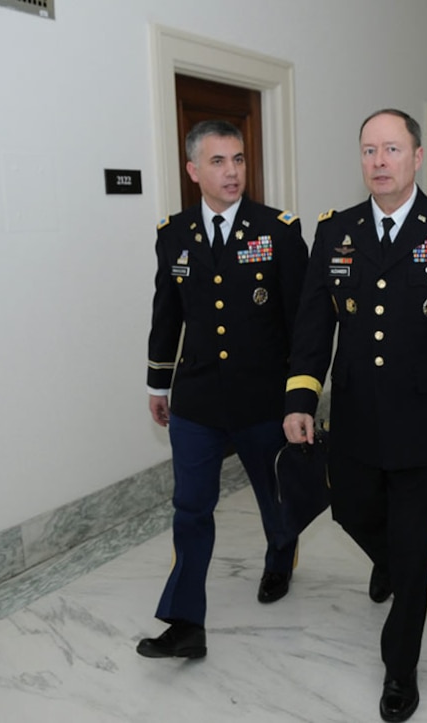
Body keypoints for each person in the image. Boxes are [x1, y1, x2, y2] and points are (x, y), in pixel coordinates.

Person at [283, 109, 427, 722]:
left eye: (392, 149)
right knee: (350, 508)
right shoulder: (336, 231)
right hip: (355, 414)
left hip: (426, 420)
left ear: (417, 157)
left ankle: (400, 668)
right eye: (369, 150)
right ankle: (392, 561)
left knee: (412, 546)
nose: (379, 161)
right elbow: (314, 324)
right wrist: (300, 396)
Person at [139, 119, 309, 660]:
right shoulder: (174, 234)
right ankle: (187, 622)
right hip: (196, 398)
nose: (232, 171)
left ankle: (282, 553)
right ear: (193, 171)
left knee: (273, 497)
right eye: (218, 162)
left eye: (238, 159)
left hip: (262, 396)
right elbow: (167, 315)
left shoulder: (278, 230)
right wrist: (157, 384)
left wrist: (297, 397)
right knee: (190, 509)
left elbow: (302, 323)